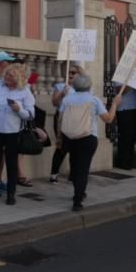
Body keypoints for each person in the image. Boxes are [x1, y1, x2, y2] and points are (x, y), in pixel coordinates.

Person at [58, 73, 121, 212]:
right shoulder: (94, 100)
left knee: (74, 166)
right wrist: (115, 104)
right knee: (83, 169)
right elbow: (108, 119)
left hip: (70, 137)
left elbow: (61, 119)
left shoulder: (67, 99)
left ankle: (78, 191)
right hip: (88, 138)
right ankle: (77, 199)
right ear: (89, 86)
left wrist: (59, 137)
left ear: (74, 85)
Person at [0, 64, 37, 206]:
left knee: (11, 162)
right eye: (6, 74)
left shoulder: (25, 92)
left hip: (13, 131)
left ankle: (11, 194)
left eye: (10, 76)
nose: (6, 77)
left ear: (18, 78)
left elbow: (30, 115)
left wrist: (18, 109)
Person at [48, 62, 82, 183]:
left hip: (77, 118)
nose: (70, 74)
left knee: (76, 148)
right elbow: (54, 103)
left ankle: (73, 174)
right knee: (61, 146)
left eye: (73, 72)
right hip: (62, 118)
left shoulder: (82, 88)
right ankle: (54, 174)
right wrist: (62, 93)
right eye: (69, 72)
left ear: (79, 74)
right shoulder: (60, 86)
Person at [112, 81, 136, 170]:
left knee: (133, 136)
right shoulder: (121, 74)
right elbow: (118, 90)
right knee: (125, 136)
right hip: (124, 109)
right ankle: (122, 161)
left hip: (135, 107)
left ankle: (130, 160)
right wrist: (132, 83)